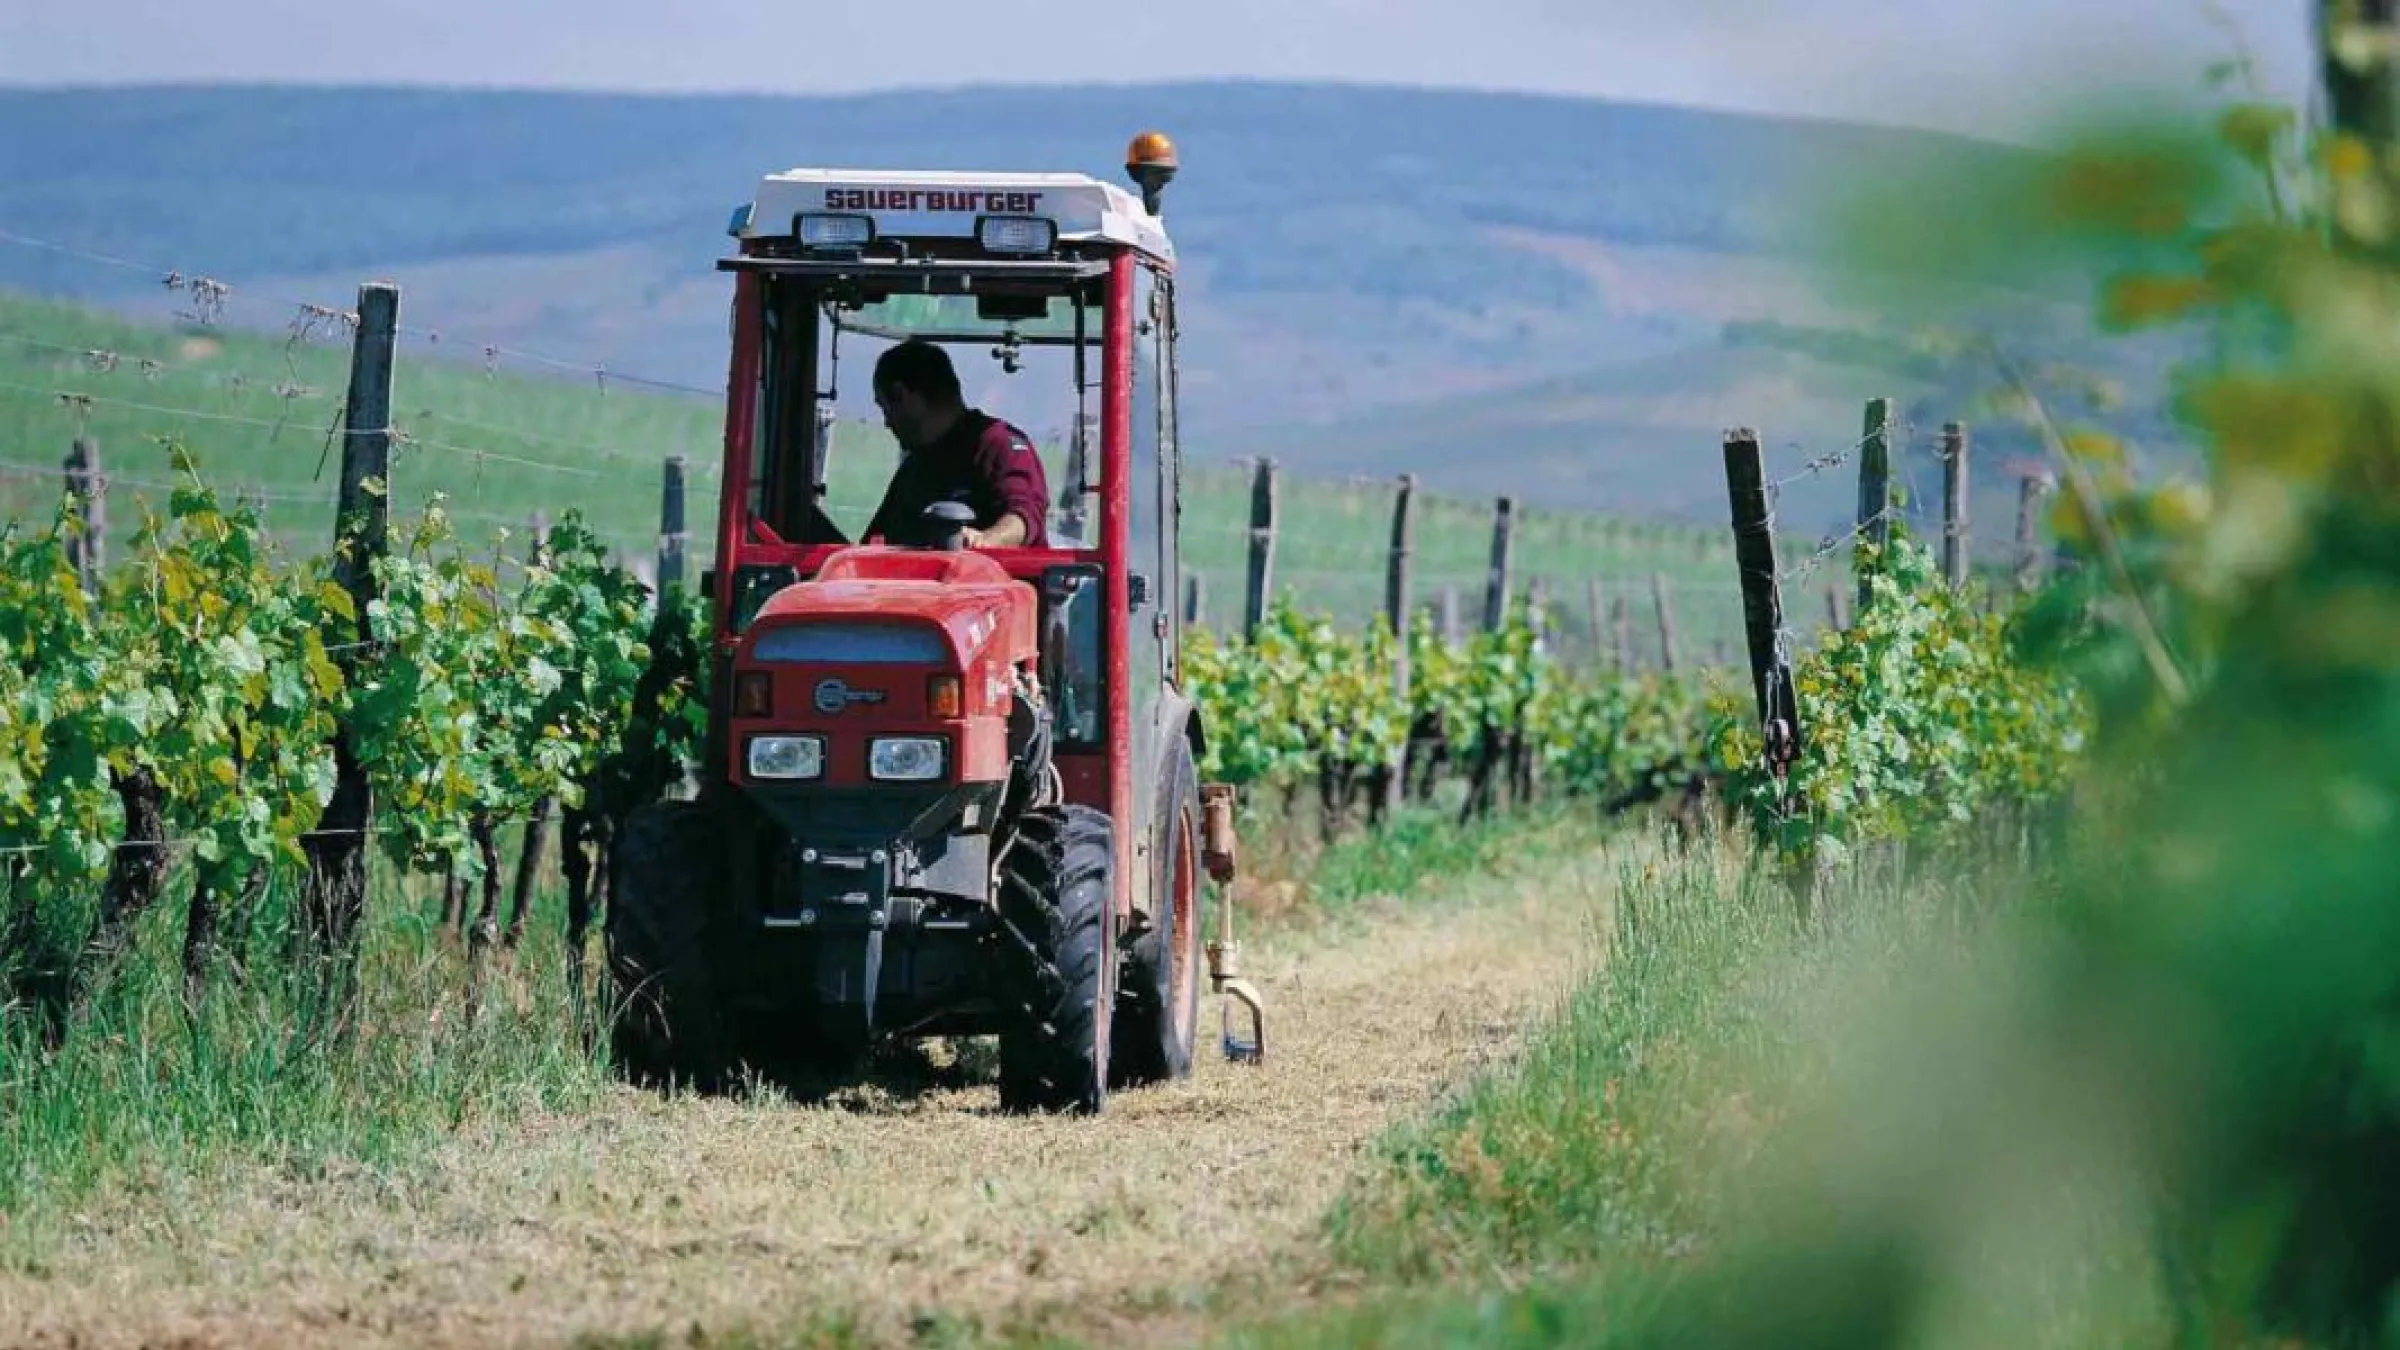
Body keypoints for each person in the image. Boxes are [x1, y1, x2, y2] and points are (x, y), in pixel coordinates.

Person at [861, 339, 1050, 550]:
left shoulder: (999, 447)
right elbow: (873, 544)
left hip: (988, 580)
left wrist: (987, 539)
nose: (886, 423)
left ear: (901, 394)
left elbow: (1023, 517)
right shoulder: (914, 468)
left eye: (884, 407)